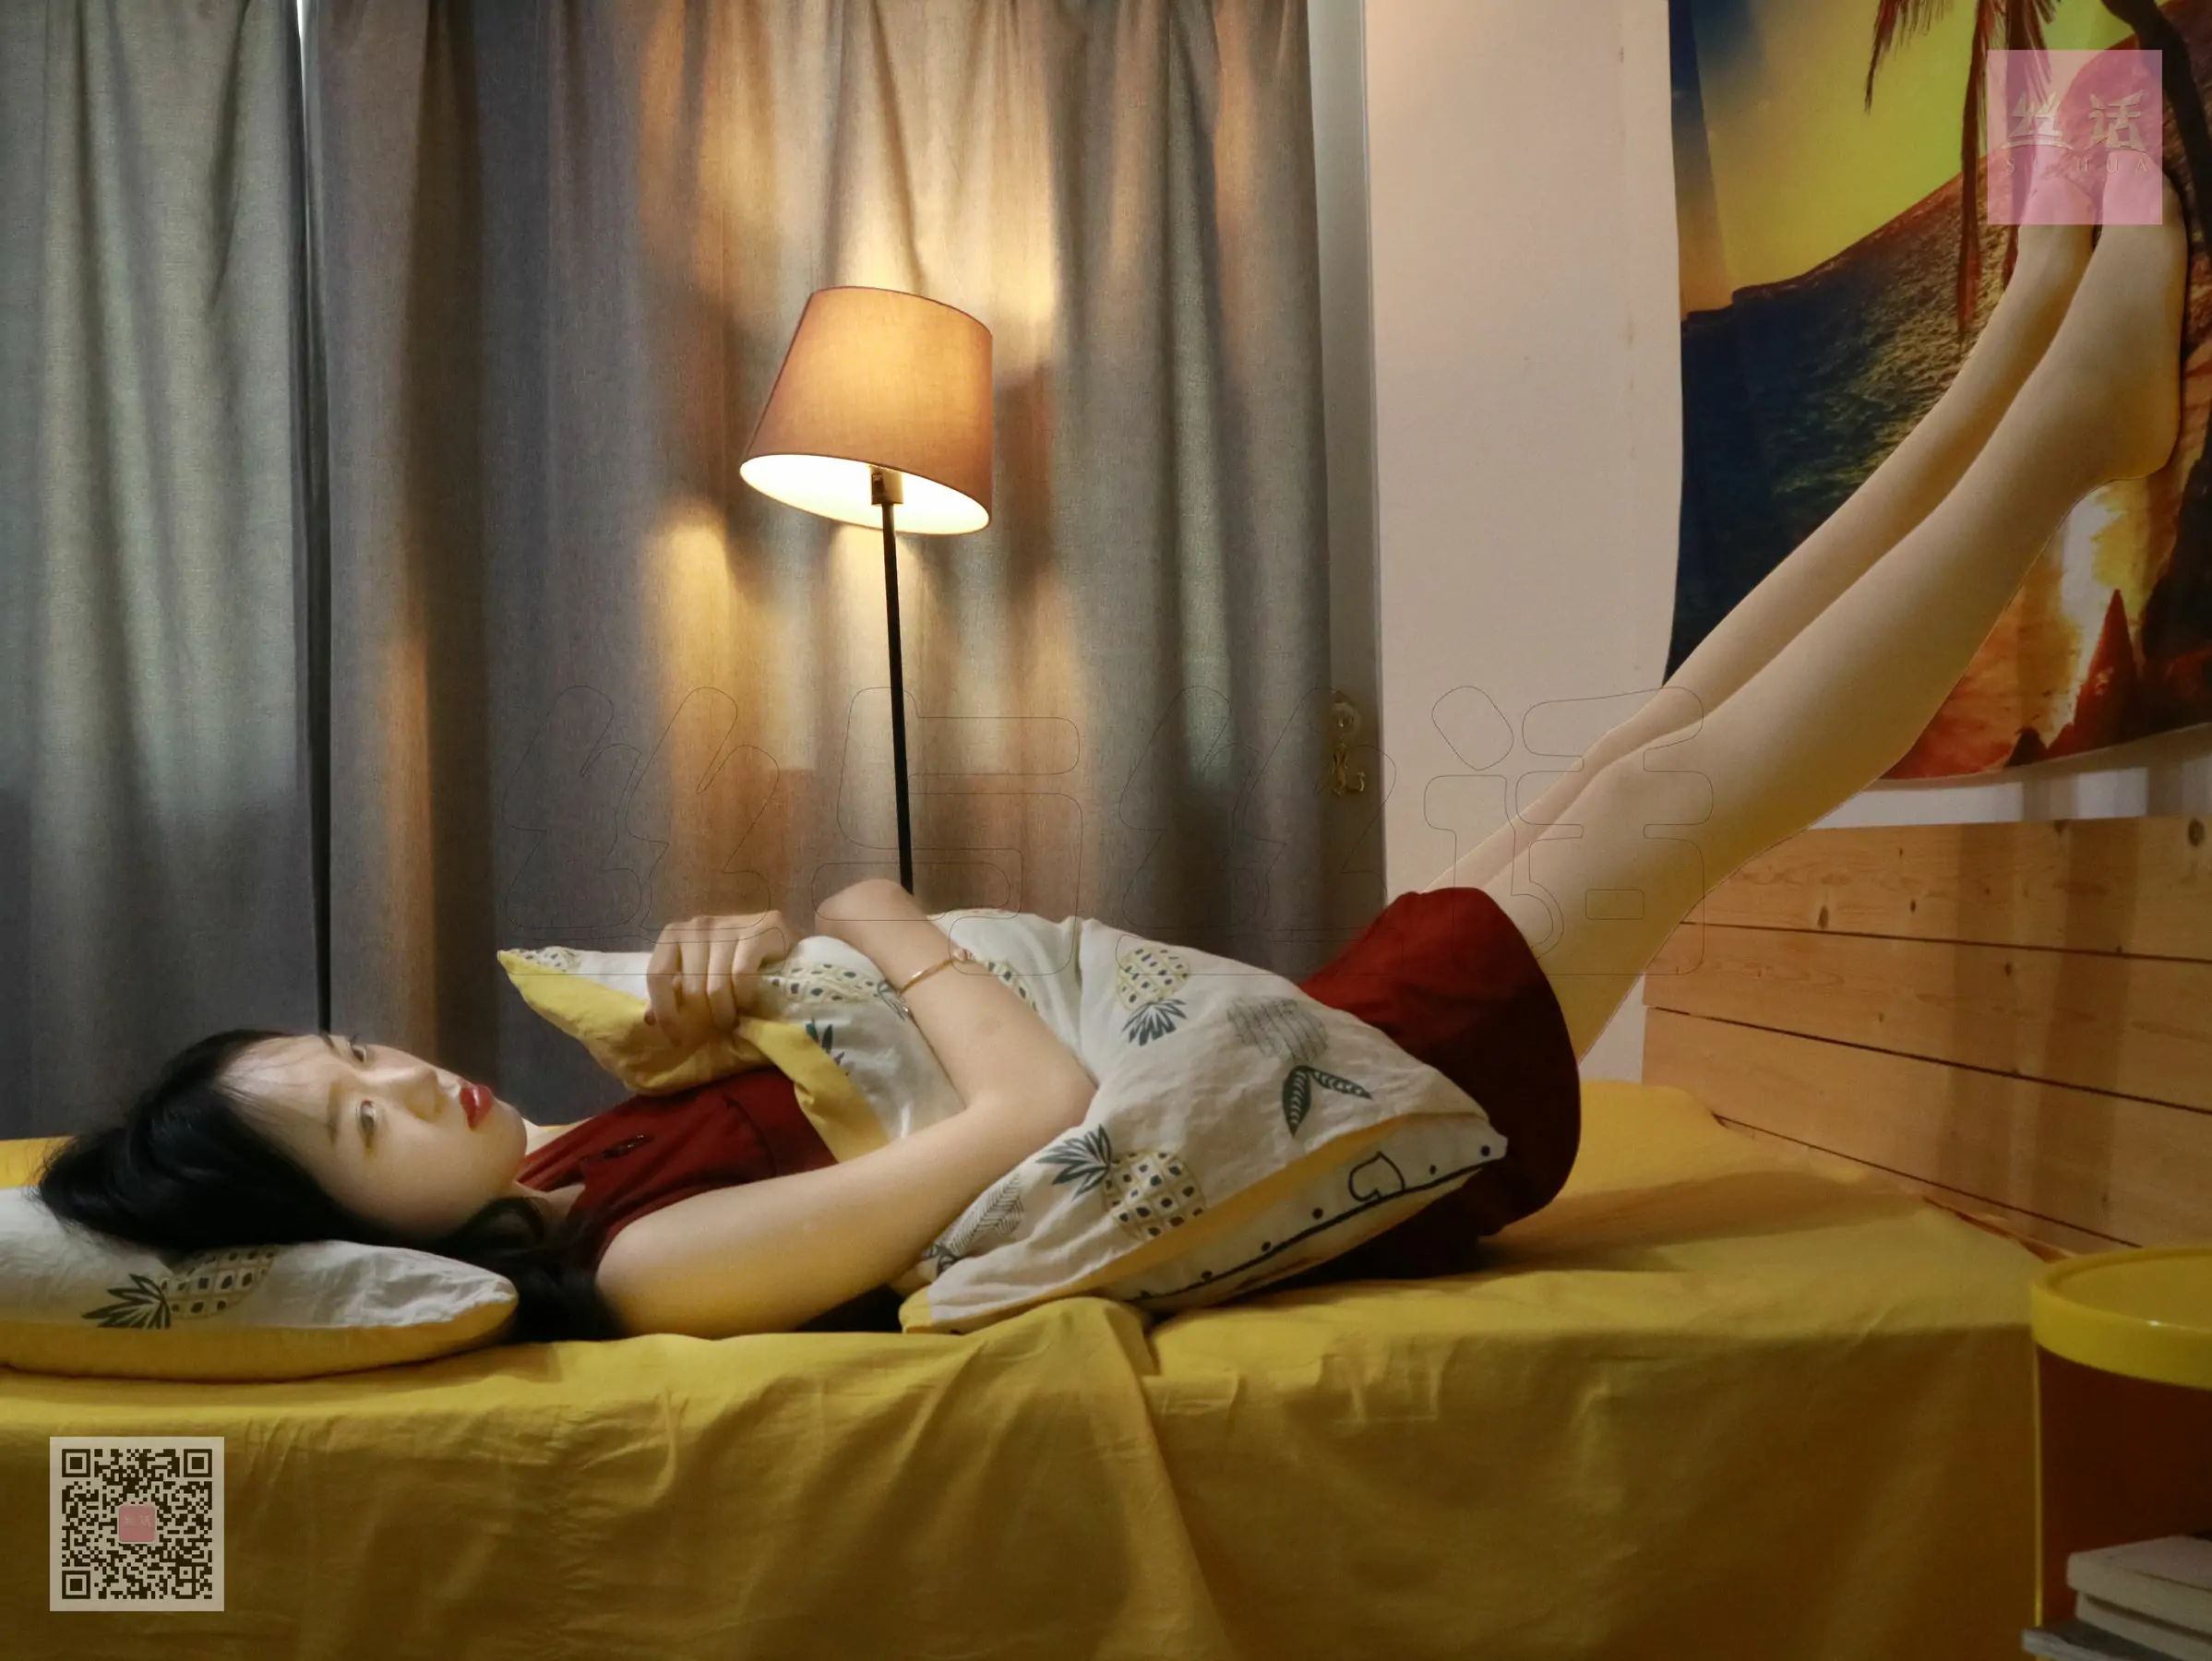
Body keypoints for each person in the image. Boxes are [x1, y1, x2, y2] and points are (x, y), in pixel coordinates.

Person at [33, 189, 2188, 1343]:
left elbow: (834, 1108)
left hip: (1280, 1064)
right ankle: (2054, 417)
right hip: (1358, 1143)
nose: (407, 1080)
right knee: (1659, 795)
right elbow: (1024, 1118)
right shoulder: (639, 1273)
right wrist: (867, 911)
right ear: (349, 1242)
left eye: (359, 1054)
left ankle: (2021, 341)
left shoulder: (580, 1169)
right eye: (357, 1127)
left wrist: (722, 1016)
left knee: (1639, 739)